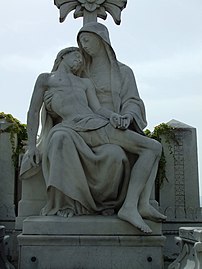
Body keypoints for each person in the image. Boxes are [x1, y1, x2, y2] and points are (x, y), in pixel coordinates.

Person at [22, 44, 165, 233]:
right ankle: (68, 204)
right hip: (69, 127)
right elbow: (33, 111)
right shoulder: (46, 79)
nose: (80, 60)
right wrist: (32, 145)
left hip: (96, 124)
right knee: (60, 138)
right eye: (76, 56)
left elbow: (97, 109)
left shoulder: (85, 83)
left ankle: (137, 204)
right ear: (63, 56)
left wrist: (113, 117)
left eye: (82, 58)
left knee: (152, 147)